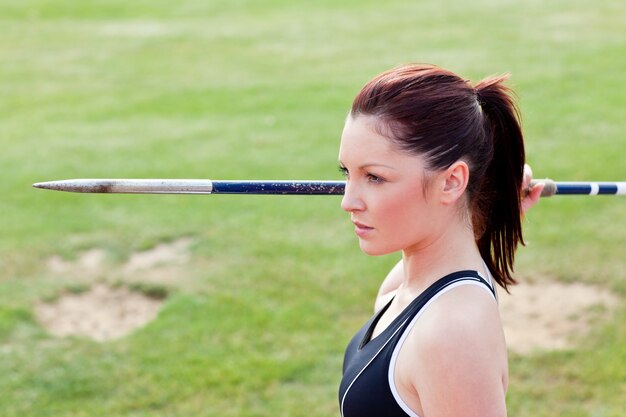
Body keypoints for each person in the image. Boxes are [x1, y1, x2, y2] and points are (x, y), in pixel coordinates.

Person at [337, 64, 543, 417]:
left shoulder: (451, 335)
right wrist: (494, 206)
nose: (348, 201)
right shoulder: (412, 280)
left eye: (374, 177)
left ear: (451, 182)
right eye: (347, 173)